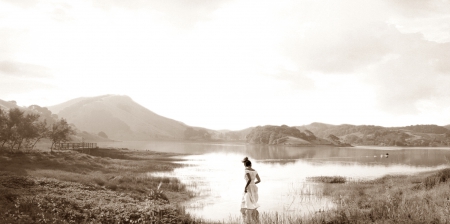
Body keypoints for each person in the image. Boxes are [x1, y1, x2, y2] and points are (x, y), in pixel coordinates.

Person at [240, 157, 261, 224]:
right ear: (250, 164)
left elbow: (249, 179)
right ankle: (253, 218)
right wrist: (253, 184)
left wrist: (246, 187)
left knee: (247, 201)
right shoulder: (255, 171)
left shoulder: (246, 170)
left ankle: (248, 220)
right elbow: (259, 180)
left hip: (249, 186)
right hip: (254, 187)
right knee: (252, 200)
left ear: (245, 165)